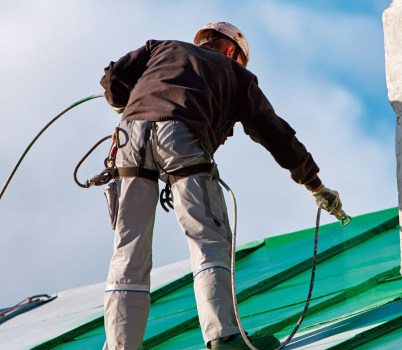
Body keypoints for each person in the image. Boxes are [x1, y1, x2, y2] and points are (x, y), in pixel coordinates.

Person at [100, 22, 347, 350]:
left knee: (127, 250)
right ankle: (223, 338)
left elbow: (113, 78)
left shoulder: (161, 48)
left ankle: (120, 345)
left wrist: (123, 103)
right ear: (233, 51)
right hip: (181, 135)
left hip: (129, 136)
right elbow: (273, 132)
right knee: (208, 239)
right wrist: (313, 183)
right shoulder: (236, 74)